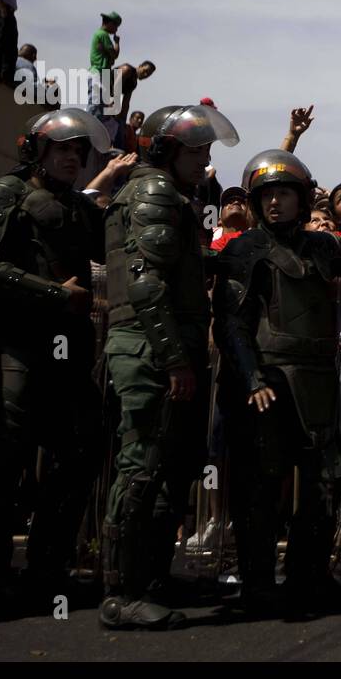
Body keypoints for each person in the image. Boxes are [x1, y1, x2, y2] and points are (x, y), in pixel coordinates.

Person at [0, 110, 122, 615]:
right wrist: (53, 294)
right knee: (3, 462)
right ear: (36, 151)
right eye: (63, 150)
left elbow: (117, 249)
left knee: (81, 449)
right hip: (14, 344)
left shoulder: (78, 205)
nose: (73, 158)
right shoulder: (3, 194)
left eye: (79, 151)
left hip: (67, 351)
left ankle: (47, 570)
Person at [99, 104, 239, 630]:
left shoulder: (168, 194)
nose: (205, 161)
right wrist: (176, 359)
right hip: (153, 349)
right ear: (164, 149)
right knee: (143, 470)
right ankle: (124, 592)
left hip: (164, 348)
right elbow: (146, 284)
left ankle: (151, 578)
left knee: (170, 471)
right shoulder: (155, 192)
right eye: (196, 150)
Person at [213, 150, 341, 615]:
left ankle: (309, 575)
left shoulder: (326, 248)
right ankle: (257, 583)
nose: (275, 203)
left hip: (319, 378)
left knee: (326, 481)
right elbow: (231, 321)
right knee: (260, 486)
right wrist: (251, 375)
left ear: (301, 198)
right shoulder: (243, 248)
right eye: (266, 196)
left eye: (284, 194)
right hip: (267, 378)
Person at [87, 12, 121, 114]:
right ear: (110, 23)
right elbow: (114, 54)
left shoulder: (99, 34)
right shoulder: (103, 35)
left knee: (100, 107)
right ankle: (88, 127)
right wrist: (116, 42)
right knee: (95, 104)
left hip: (102, 73)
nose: (116, 30)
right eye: (116, 26)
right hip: (98, 72)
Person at [211, 186, 250, 252]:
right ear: (219, 220)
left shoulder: (259, 241)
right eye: (229, 201)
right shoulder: (207, 240)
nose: (236, 202)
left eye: (242, 202)